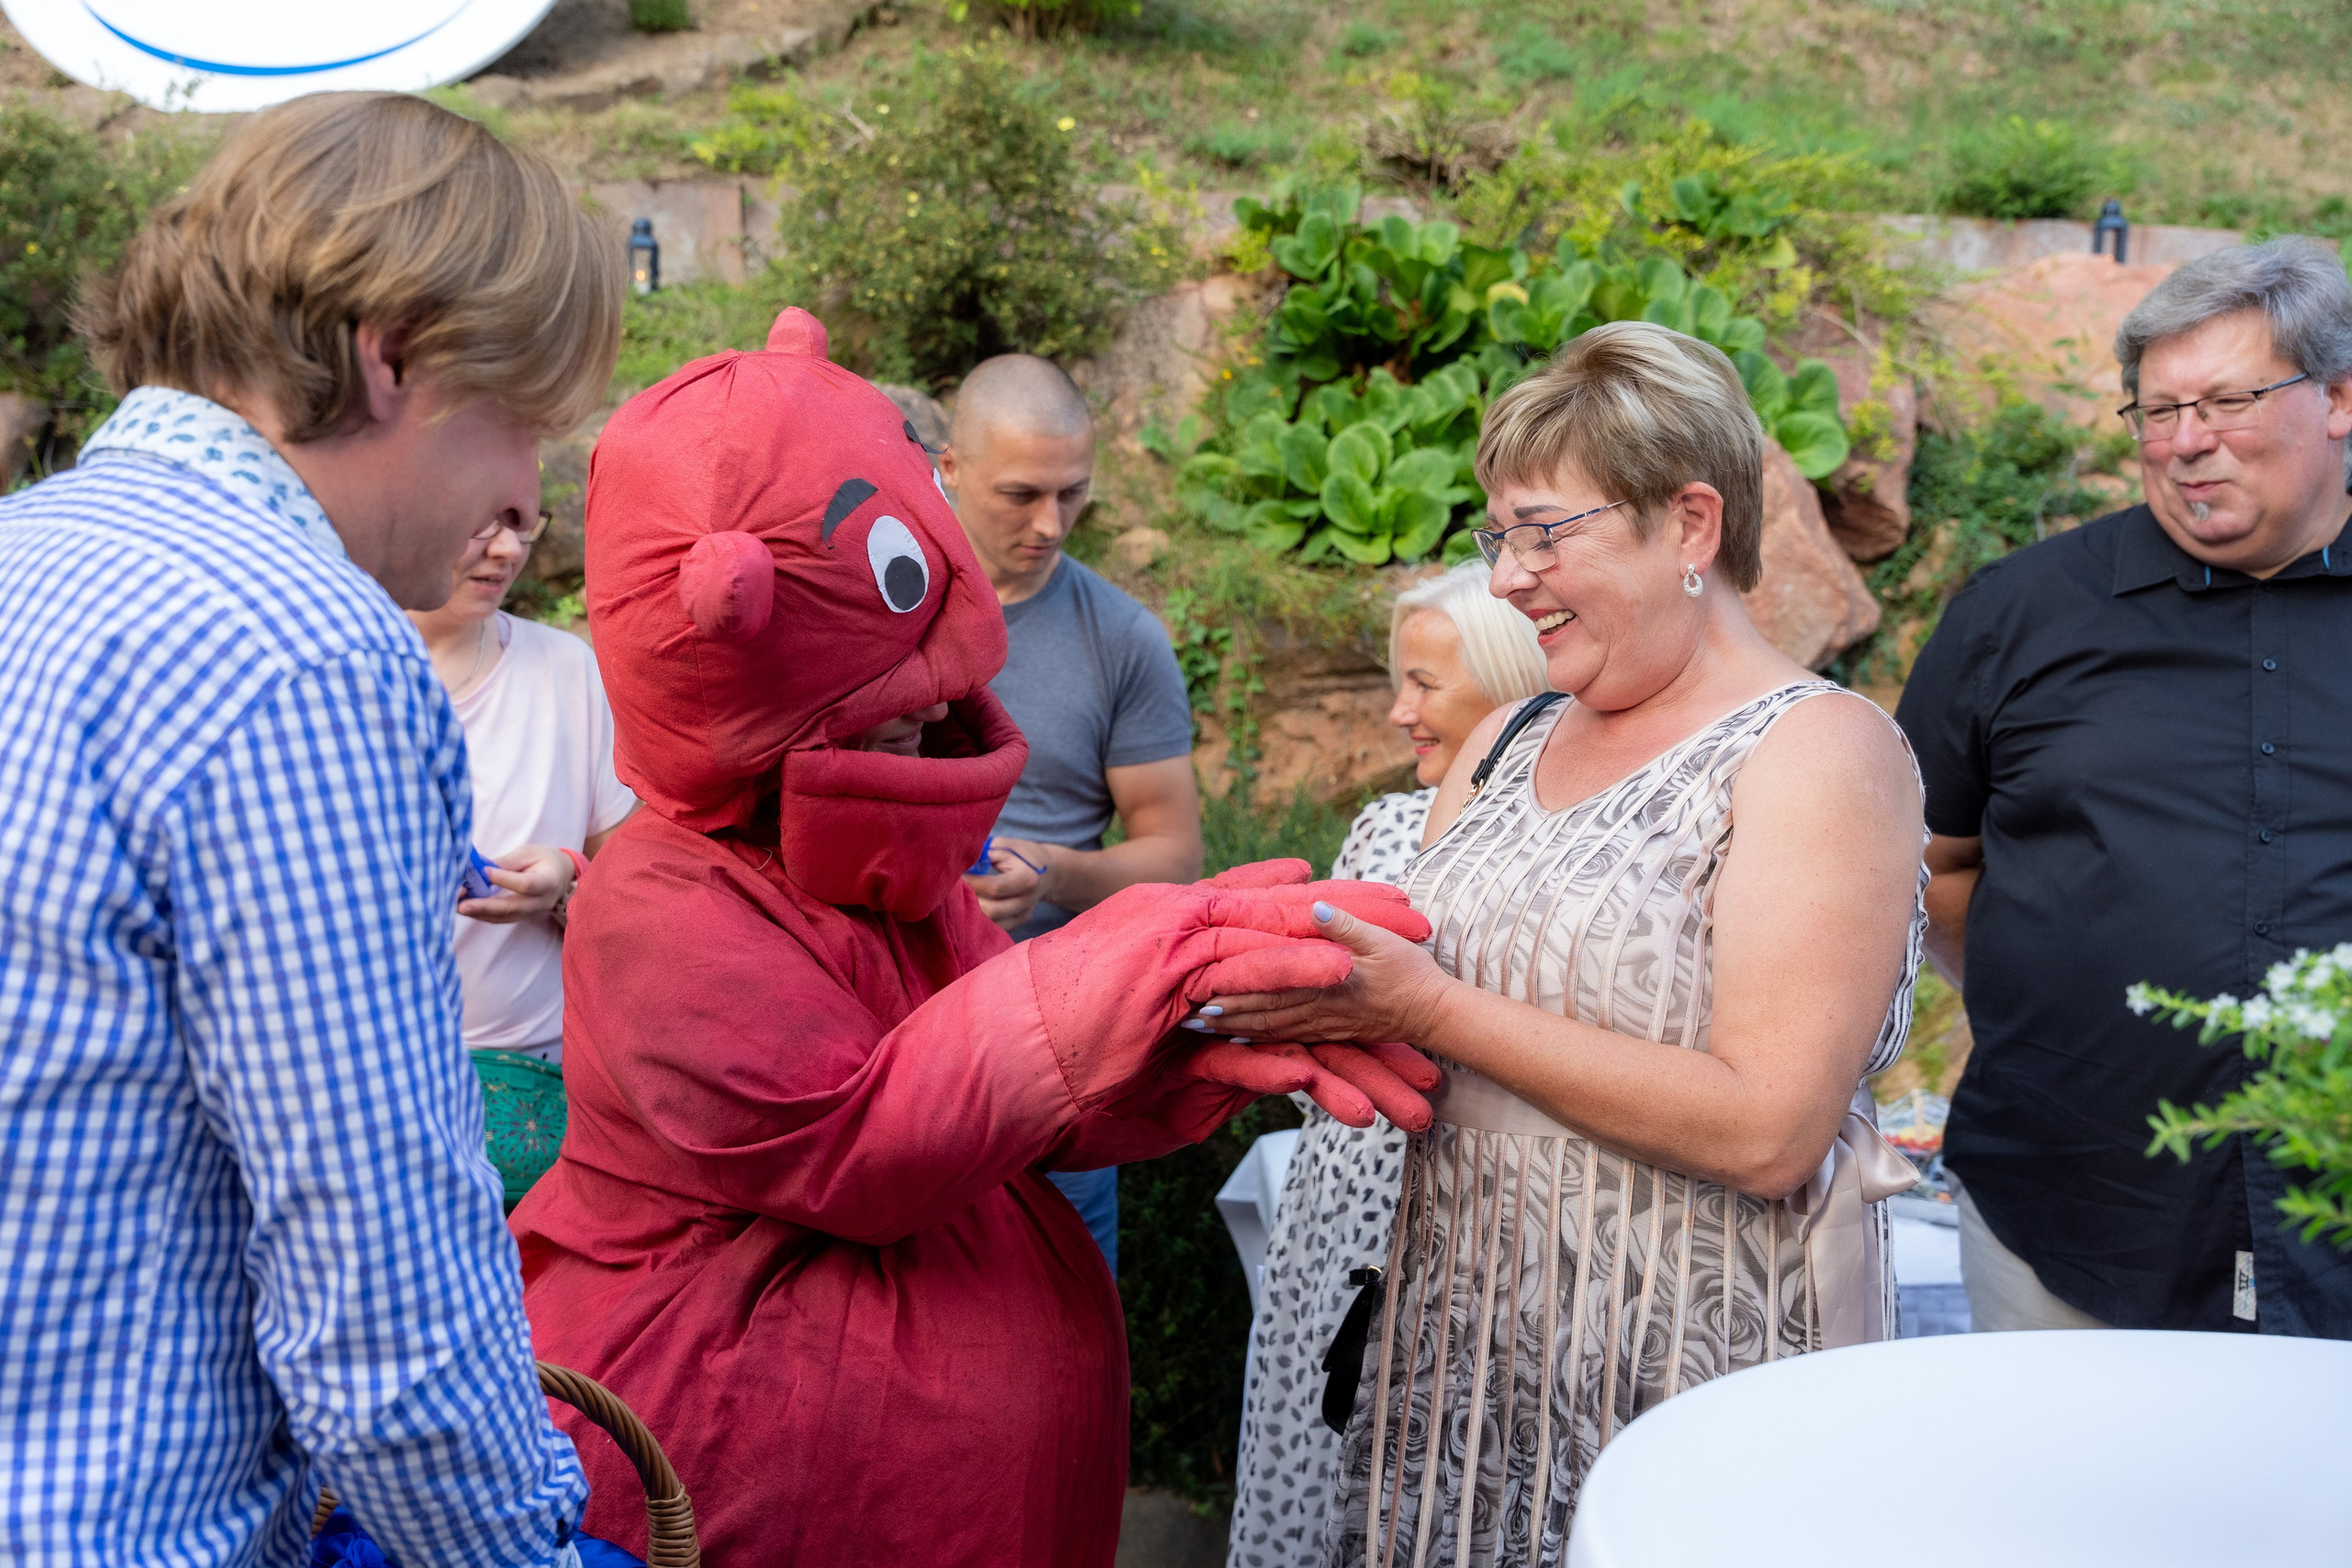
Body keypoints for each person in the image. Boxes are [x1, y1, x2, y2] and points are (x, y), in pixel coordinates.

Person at [510, 308, 1443, 1566]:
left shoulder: (888, 866)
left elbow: (1015, 1086)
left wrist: (1184, 1037)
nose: (934, 711)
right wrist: (1111, 968)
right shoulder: (659, 905)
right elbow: (861, 1139)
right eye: (883, 693)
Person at [0, 93, 620, 1564]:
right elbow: (388, 1318)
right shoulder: (311, 654)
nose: (529, 490)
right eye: (525, 418)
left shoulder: (27, 549)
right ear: (391, 352)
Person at [1199, 321, 1929, 1561]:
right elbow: (1413, 995)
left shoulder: (1816, 753)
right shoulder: (1509, 739)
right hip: (1453, 1364)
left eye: (1546, 532)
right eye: (1500, 537)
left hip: (1672, 1375)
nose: (1506, 577)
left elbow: (1769, 1126)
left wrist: (1426, 1007)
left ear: (1691, 525)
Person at [1896, 236, 2352, 1337]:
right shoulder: (2018, 614)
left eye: (2229, 401)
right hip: (2073, 1213)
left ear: (2338, 399)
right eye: (2156, 411)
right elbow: (1928, 859)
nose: (2187, 443)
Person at [1229, 561, 1549, 1568]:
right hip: (1356, 1193)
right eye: (1398, 679)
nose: (1400, 709)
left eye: (1425, 683)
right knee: (1330, 1436)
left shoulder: (1561, 844)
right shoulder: (1386, 825)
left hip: (1477, 1212)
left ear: (1510, 686)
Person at [944, 352, 1202, 1270]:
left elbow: (1174, 855)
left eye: (1072, 494)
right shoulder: (879, 608)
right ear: (947, 470)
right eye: (1020, 493)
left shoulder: (1121, 637)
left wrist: (1053, 869)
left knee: (1064, 1317)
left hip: (1048, 1042)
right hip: (887, 1024)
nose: (1050, 524)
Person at [409, 517, 636, 1064]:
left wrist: (566, 883)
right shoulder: (332, 683)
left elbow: (631, 877)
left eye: (522, 523)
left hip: (546, 1067)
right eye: (482, 523)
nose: (509, 549)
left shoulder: (566, 668)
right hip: (385, 1067)